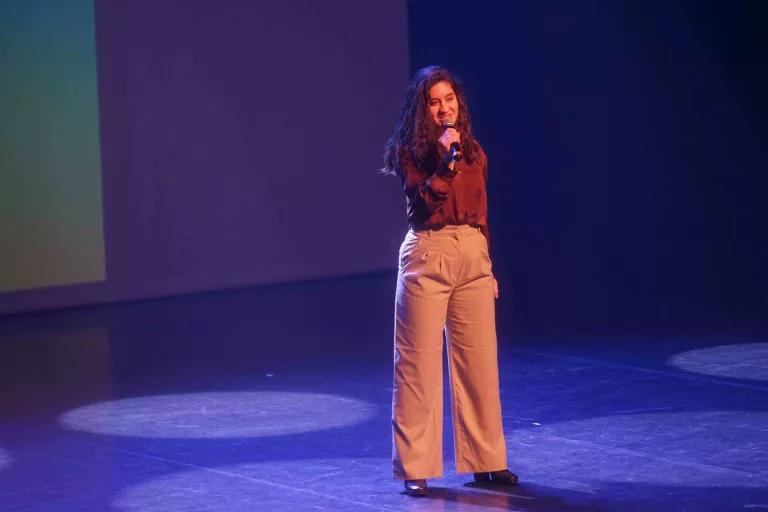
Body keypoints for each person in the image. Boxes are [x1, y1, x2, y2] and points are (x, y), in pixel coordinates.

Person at [382, 66, 518, 497]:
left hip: (472, 253)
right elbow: (421, 208)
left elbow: (481, 211)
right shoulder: (413, 152)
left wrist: (488, 265)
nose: (444, 109)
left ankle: (486, 461)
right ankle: (415, 467)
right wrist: (446, 160)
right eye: (434, 102)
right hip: (429, 250)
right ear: (423, 110)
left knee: (479, 363)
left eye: (450, 100)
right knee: (418, 364)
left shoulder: (474, 151)